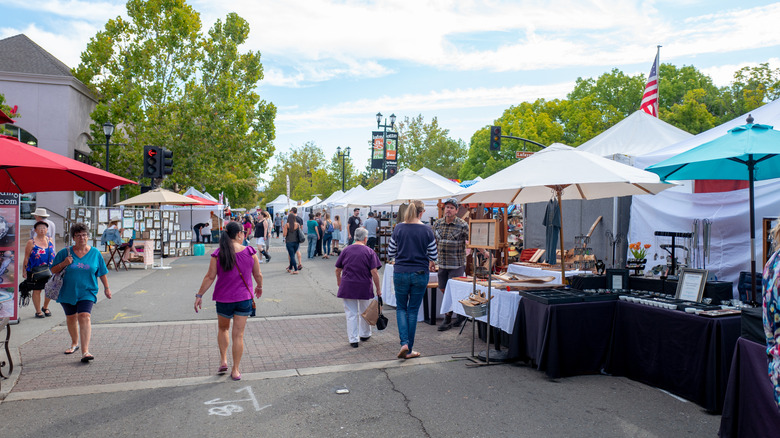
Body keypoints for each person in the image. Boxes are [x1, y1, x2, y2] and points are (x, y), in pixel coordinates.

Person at [195, 221, 263, 381]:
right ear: (239, 234)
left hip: (223, 299)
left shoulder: (218, 254)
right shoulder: (250, 252)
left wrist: (199, 295)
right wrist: (259, 286)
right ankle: (236, 370)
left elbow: (210, 277)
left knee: (223, 329)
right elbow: (258, 274)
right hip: (243, 298)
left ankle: (223, 360)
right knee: (238, 335)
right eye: (243, 233)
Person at [51, 223, 111, 362]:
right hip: (67, 291)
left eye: (84, 235)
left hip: (87, 291)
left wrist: (106, 288)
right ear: (73, 237)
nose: (82, 238)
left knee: (84, 316)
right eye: (78, 235)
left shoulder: (95, 253)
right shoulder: (65, 253)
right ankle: (74, 343)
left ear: (88, 236)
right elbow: (53, 270)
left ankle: (85, 351)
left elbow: (102, 272)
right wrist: (64, 263)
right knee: (71, 318)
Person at [388, 199, 437, 360]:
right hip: (420, 272)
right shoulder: (427, 230)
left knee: (401, 308)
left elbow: (390, 253)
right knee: (413, 310)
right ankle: (409, 349)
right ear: (422, 212)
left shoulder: (399, 228)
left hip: (401, 271)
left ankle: (404, 343)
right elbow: (433, 255)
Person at [335, 227, 382, 348]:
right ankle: (365, 334)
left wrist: (339, 281)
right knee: (365, 311)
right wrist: (378, 288)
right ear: (365, 238)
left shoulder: (346, 250)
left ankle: (353, 339)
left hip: (348, 285)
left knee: (351, 313)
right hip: (364, 285)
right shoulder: (369, 251)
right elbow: (374, 272)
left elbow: (337, 269)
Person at [433, 198, 469, 331]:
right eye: (447, 207)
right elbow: (434, 242)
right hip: (442, 263)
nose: (448, 209)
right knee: (443, 288)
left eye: (451, 208)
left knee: (452, 290)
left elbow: (471, 240)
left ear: (456, 210)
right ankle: (459, 315)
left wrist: (484, 251)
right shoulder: (438, 223)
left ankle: (448, 318)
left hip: (456, 264)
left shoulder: (462, 225)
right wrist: (432, 260)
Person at [23, 221, 55, 318]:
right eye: (39, 228)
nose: (42, 229)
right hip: (35, 271)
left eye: (44, 228)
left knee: (49, 290)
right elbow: (26, 257)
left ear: (47, 230)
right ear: (35, 230)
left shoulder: (50, 240)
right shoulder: (31, 242)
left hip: (49, 270)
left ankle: (45, 307)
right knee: (37, 290)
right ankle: (38, 311)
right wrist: (24, 271)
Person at [283, 208, 302, 274]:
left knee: (292, 256)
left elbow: (284, 234)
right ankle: (290, 268)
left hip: (289, 242)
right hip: (296, 242)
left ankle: (296, 269)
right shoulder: (297, 225)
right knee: (293, 254)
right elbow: (299, 233)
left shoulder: (287, 225)